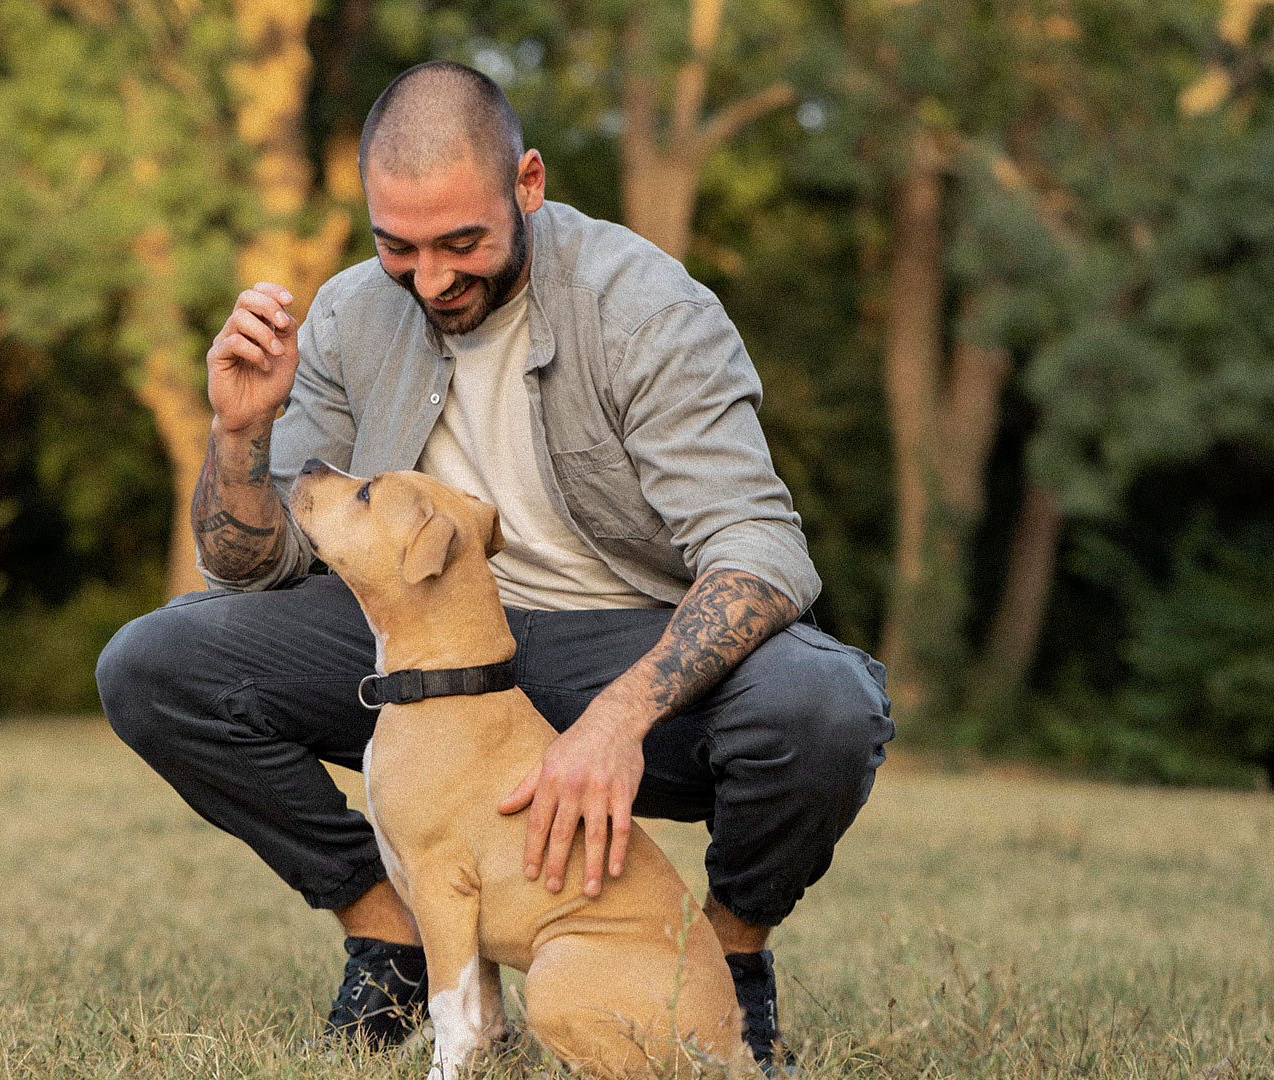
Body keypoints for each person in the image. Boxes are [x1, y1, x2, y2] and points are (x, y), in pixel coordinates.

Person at [96, 60, 892, 1075]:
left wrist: (617, 718)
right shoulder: (349, 316)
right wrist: (241, 437)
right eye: (399, 247)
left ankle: (728, 962)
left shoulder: (645, 308)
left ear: (529, 184)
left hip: (625, 642)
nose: (430, 279)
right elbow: (254, 565)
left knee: (823, 707)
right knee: (157, 664)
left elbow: (761, 552)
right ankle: (393, 933)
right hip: (424, 646)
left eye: (461, 242)